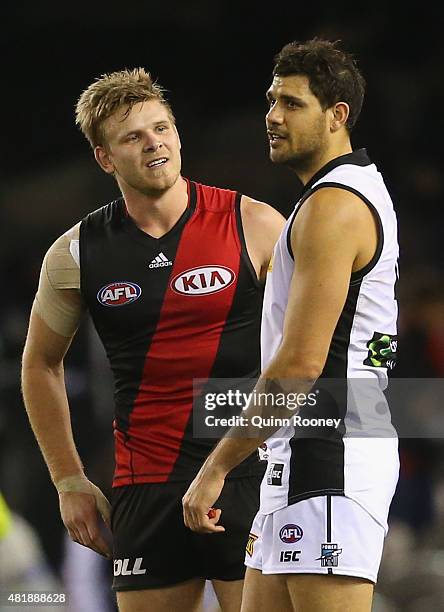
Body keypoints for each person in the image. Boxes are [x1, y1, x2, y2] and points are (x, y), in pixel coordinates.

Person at [21, 68, 285, 612]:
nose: (154, 143)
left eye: (161, 128)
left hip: (246, 475)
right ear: (105, 158)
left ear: (178, 134)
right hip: (146, 485)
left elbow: (312, 346)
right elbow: (40, 366)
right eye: (132, 137)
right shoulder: (75, 253)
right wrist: (69, 480)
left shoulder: (254, 224)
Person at [183, 38, 400, 612]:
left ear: (337, 116)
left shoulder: (335, 207)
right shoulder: (334, 197)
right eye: (270, 101)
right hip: (302, 452)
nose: (272, 117)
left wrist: (217, 466)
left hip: (331, 453)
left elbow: (302, 364)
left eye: (292, 103)